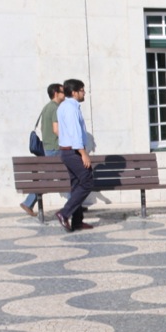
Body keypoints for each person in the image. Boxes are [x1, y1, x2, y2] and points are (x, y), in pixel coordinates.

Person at [19, 83, 65, 216]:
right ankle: (75, 204)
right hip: (55, 148)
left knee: (55, 177)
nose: (65, 94)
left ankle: (75, 204)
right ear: (56, 93)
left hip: (48, 147)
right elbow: (56, 130)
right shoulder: (55, 108)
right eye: (63, 92)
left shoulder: (46, 107)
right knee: (57, 177)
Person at [55, 78, 94, 231]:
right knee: (87, 181)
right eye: (82, 90)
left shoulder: (64, 106)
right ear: (74, 92)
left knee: (77, 185)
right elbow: (74, 132)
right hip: (73, 152)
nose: (84, 93)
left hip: (67, 151)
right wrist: (83, 153)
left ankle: (77, 221)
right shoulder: (71, 108)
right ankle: (64, 213)